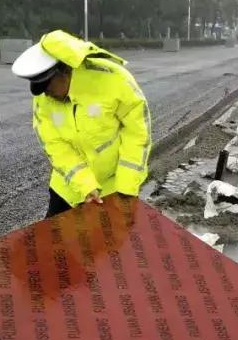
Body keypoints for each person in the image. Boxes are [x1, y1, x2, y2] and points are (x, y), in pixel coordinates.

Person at [12, 30, 152, 217]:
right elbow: (55, 145)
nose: (46, 94)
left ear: (65, 70)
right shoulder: (44, 99)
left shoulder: (113, 80)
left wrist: (126, 189)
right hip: (68, 189)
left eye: (48, 85)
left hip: (113, 187)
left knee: (109, 242)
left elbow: (137, 133)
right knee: (53, 241)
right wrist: (85, 185)